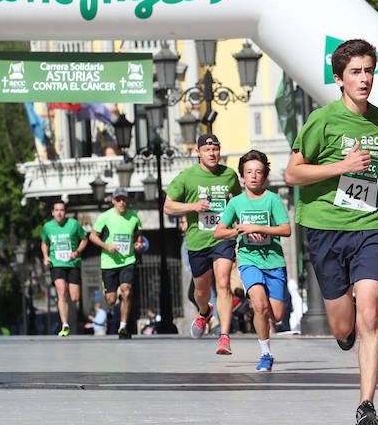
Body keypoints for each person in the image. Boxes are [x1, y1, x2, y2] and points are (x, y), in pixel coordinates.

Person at [286, 38, 378, 425]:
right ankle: (346, 336)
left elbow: (376, 175)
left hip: (370, 228)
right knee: (343, 326)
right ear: (339, 79)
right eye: (355, 72)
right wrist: (340, 166)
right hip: (326, 227)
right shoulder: (322, 120)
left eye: (368, 70)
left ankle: (366, 405)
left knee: (369, 313)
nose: (364, 79)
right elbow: (293, 174)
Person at [215, 149, 292, 372]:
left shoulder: (272, 200)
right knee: (259, 305)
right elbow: (219, 232)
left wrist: (259, 228)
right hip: (249, 260)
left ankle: (265, 321)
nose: (254, 176)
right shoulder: (236, 203)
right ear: (242, 176)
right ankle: (265, 353)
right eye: (249, 172)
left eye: (258, 172)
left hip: (274, 261)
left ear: (264, 176)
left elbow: (286, 229)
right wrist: (240, 231)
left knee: (276, 315)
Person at [164, 133, 242, 354]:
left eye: (215, 149)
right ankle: (203, 311)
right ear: (198, 153)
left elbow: (238, 201)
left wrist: (240, 225)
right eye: (207, 150)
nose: (212, 153)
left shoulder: (229, 175)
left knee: (224, 283)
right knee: (201, 291)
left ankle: (224, 336)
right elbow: (168, 207)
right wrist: (192, 206)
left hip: (223, 237)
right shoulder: (187, 177)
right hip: (198, 241)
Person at [88, 187, 145, 339]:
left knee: (127, 290)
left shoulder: (134, 217)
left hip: (128, 260)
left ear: (127, 200)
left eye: (124, 199)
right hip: (109, 262)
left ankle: (123, 327)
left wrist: (139, 244)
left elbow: (139, 235)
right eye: (118, 199)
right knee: (111, 300)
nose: (121, 202)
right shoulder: (105, 217)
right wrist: (107, 246)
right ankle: (116, 297)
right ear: (113, 201)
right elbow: (92, 236)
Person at [40, 201, 88, 337]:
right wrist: (45, 256)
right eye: (56, 210)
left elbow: (85, 239)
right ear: (52, 212)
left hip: (73, 263)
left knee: (74, 297)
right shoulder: (47, 227)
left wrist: (77, 252)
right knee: (61, 292)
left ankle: (66, 308)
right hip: (57, 263)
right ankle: (65, 325)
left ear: (65, 212)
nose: (59, 213)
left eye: (62, 210)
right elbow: (44, 242)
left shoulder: (73, 224)